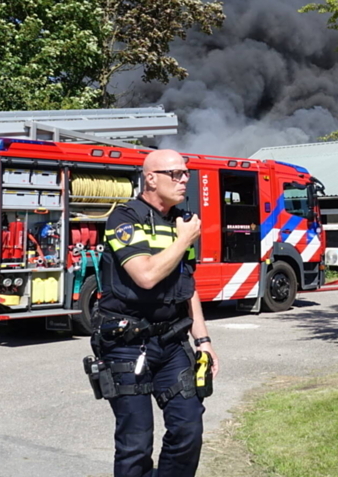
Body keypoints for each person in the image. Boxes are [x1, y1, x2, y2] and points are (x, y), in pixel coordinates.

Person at [94, 149, 218, 477]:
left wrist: (203, 340)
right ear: (151, 178)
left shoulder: (182, 220)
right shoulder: (124, 218)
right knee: (136, 443)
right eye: (174, 174)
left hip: (172, 342)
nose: (184, 180)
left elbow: (186, 285)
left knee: (188, 429)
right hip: (126, 343)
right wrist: (183, 240)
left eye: (186, 173)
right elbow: (145, 275)